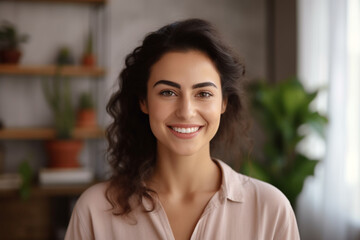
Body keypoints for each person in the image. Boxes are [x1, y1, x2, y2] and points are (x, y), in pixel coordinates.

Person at [65, 18, 300, 240]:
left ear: (223, 103)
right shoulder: (95, 211)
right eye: (168, 92)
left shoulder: (270, 209)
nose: (186, 111)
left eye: (204, 94)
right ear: (143, 101)